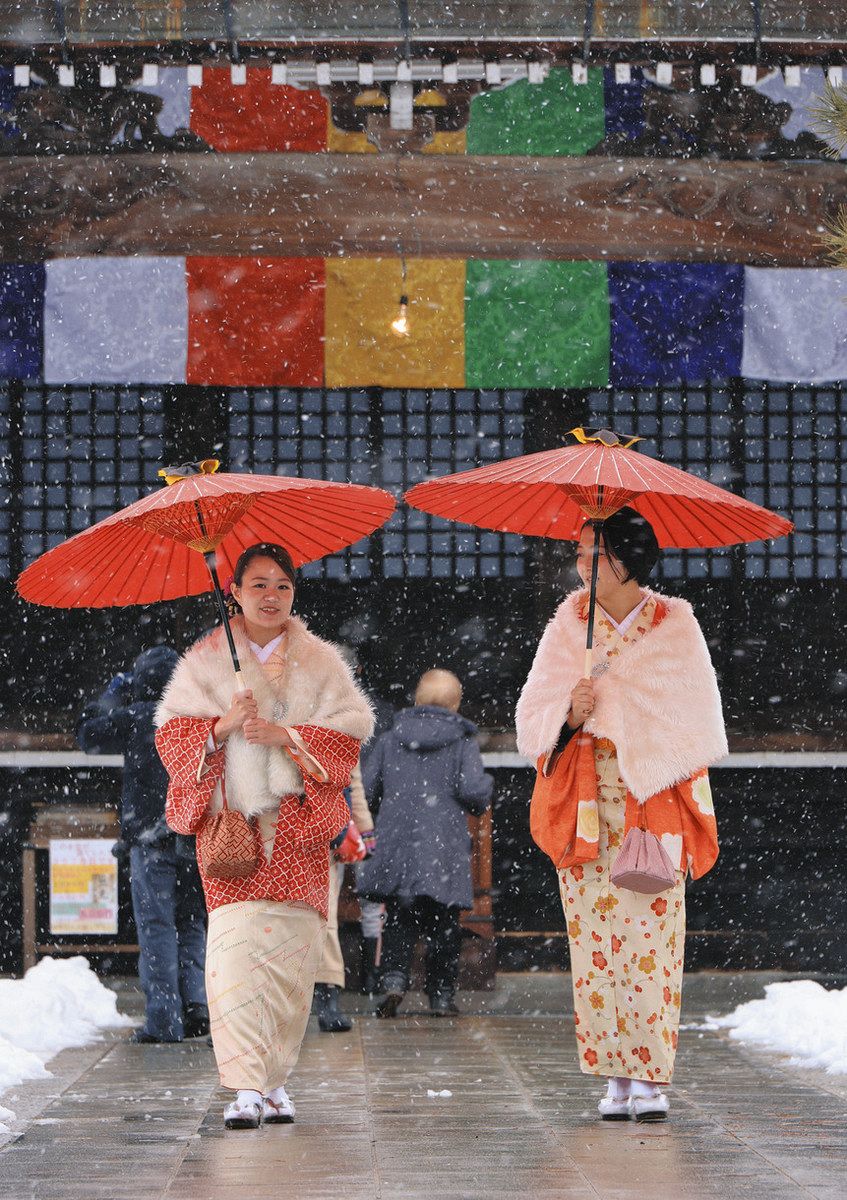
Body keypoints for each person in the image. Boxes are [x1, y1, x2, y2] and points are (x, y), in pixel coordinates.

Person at [515, 507, 725, 1123]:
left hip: (650, 800)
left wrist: (627, 717)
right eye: (579, 552)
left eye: (593, 552)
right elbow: (533, 716)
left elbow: (696, 716)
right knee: (594, 942)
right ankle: (613, 1075)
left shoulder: (674, 623)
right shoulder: (567, 624)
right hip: (585, 803)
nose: (581, 564)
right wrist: (572, 713)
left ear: (628, 558)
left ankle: (650, 1073)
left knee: (653, 939)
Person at [155, 542, 374, 1130]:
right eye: (257, 584)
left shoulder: (322, 660)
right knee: (232, 957)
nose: (270, 596)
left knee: (289, 962)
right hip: (235, 832)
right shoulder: (204, 660)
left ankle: (275, 1081)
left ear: (294, 591)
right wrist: (220, 727)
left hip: (298, 831)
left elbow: (351, 731)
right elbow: (173, 740)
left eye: (281, 584)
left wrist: (290, 737)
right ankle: (246, 1086)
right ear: (235, 591)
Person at [77, 646, 209, 1044]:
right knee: (191, 924)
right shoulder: (194, 718)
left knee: (156, 928)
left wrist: (114, 691)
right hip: (191, 836)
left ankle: (164, 1021)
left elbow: (87, 735)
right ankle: (197, 1008)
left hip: (150, 840)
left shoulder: (137, 717)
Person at [359, 669, 493, 1018]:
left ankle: (393, 981)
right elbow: (473, 793)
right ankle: (441, 995)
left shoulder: (390, 739)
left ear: (416, 701)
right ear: (456, 705)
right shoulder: (462, 742)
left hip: (397, 842)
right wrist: (485, 786)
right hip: (442, 847)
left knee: (399, 919)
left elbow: (367, 788)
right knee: (444, 924)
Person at [312, 762, 374, 1032]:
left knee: (323, 916)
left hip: (322, 830)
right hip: (274, 825)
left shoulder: (339, 720)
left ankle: (328, 996)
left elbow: (351, 775)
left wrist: (363, 826)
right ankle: (326, 999)